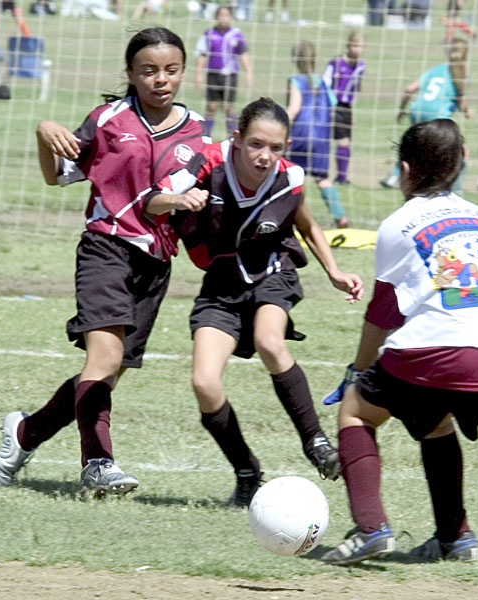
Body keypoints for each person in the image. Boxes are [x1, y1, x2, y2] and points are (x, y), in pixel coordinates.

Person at [0, 27, 211, 496]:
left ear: (184, 72)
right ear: (131, 73)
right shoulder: (107, 120)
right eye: (148, 71)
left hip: (155, 263)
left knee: (106, 373)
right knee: (103, 358)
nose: (161, 80)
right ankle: (97, 464)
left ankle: (24, 433)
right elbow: (58, 176)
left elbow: (182, 200)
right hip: (106, 248)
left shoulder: (198, 133)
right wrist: (44, 133)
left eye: (171, 70)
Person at [145, 97, 364, 507]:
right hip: (221, 285)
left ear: (286, 148)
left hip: (272, 273)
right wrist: (178, 200)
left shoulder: (288, 177)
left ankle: (316, 443)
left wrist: (334, 271)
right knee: (204, 383)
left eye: (275, 147)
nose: (265, 156)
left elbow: (306, 223)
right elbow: (151, 199)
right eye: (256, 144)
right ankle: (246, 471)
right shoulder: (207, 164)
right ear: (237, 139)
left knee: (269, 341)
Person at [321, 118, 478, 565]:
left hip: (444, 348)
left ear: (405, 170)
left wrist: (357, 371)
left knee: (355, 410)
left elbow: (383, 313)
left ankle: (370, 529)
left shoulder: (397, 224)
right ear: (459, 164)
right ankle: (456, 538)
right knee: (433, 420)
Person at [380, 37, 473, 190]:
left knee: (414, 147)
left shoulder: (437, 69)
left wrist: (402, 110)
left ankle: (393, 177)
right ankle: (456, 189)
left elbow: (410, 88)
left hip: (417, 111)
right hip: (437, 117)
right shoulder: (462, 75)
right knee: (462, 151)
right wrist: (468, 112)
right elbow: (462, 105)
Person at [286, 40, 348, 228]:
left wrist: (280, 122)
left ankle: (293, 217)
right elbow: (333, 103)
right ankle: (340, 216)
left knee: (292, 176)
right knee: (322, 178)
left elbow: (294, 108)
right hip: (321, 137)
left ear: (295, 59)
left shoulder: (296, 81)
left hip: (300, 135)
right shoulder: (322, 82)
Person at [194, 5, 253, 138]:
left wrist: (248, 73)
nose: (223, 18)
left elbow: (243, 54)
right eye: (221, 15)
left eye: (226, 15)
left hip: (230, 75)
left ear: (231, 17)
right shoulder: (209, 34)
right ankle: (206, 136)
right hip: (213, 74)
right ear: (216, 17)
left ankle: (232, 137)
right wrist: (198, 74)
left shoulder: (236, 34)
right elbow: (202, 55)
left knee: (228, 107)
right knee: (211, 106)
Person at [322, 31, 365, 185]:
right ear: (348, 45)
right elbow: (325, 84)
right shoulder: (336, 63)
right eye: (354, 45)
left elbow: (354, 90)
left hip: (346, 107)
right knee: (341, 141)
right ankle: (338, 177)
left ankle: (342, 177)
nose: (357, 50)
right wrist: (330, 106)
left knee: (347, 143)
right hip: (334, 105)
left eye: (360, 46)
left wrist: (353, 110)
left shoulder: (360, 66)